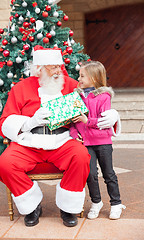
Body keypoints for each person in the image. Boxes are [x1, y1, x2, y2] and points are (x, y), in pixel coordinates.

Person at [0, 45, 120, 227]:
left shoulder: (70, 84)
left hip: (63, 140)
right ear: (39, 68)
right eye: (53, 67)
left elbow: (97, 95)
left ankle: (68, 207)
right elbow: (3, 123)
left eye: (59, 66)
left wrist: (113, 115)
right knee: (6, 164)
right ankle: (32, 206)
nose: (59, 70)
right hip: (29, 142)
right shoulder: (20, 88)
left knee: (81, 157)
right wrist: (30, 122)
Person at [70, 60, 125, 221]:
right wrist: (74, 133)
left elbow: (103, 122)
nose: (78, 79)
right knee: (90, 174)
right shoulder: (76, 96)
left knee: (109, 173)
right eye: (79, 75)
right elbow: (72, 121)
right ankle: (96, 202)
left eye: (82, 76)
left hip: (103, 142)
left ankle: (116, 204)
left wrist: (87, 121)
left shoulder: (104, 97)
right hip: (85, 143)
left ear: (94, 78)